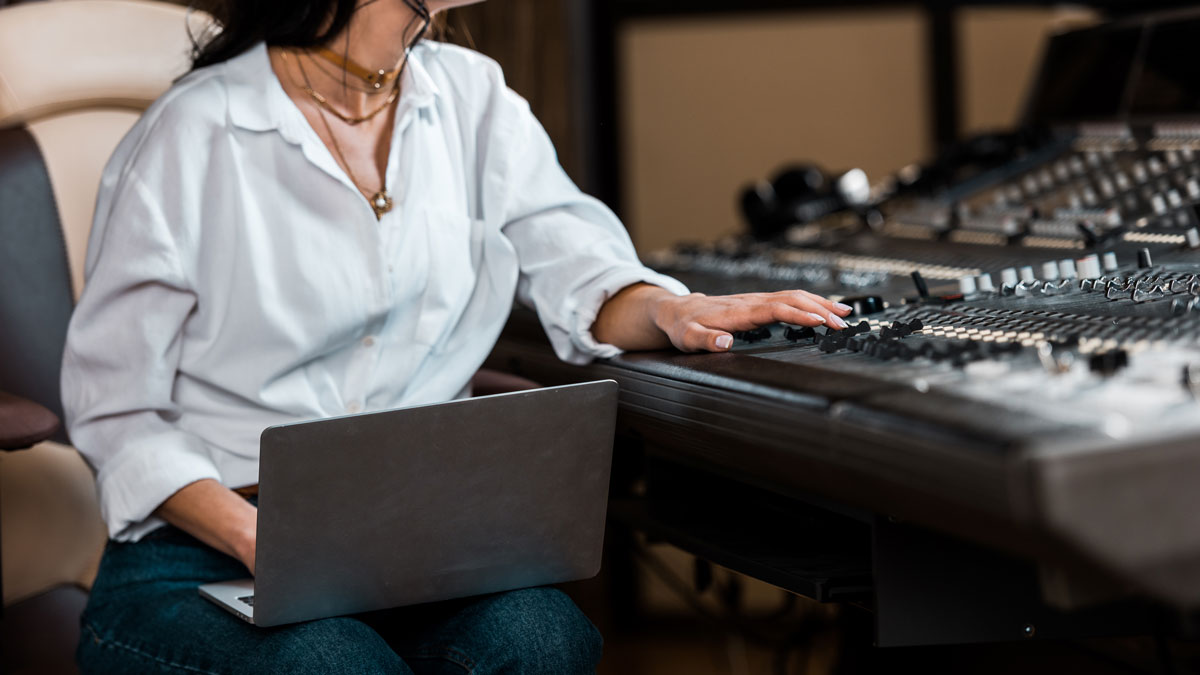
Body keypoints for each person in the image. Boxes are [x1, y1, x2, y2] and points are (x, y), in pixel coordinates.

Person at [61, 0, 854, 672]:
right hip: (200, 545)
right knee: (333, 661)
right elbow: (115, 412)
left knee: (544, 641)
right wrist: (262, 538)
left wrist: (670, 309)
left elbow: (582, 271)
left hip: (409, 542)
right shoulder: (194, 131)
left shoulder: (474, 98)